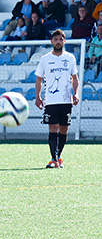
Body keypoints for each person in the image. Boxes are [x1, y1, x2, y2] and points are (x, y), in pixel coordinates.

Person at [35, 29, 79, 168]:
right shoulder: (45, 59)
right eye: (56, 39)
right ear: (51, 41)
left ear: (64, 41)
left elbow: (75, 78)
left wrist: (76, 93)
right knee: (53, 128)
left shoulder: (70, 58)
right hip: (51, 100)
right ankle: (54, 159)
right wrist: (38, 96)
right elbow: (39, 79)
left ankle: (58, 156)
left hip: (66, 100)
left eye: (61, 39)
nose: (58, 42)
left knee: (64, 129)